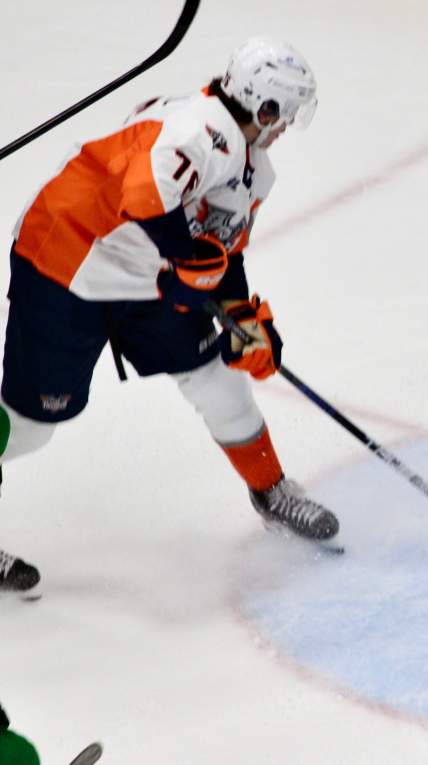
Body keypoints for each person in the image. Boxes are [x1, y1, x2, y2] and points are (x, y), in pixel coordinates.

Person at [0, 37, 339, 595]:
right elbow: (144, 195)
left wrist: (242, 319)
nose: (287, 127)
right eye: (287, 113)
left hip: (142, 277)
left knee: (216, 377)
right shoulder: (195, 131)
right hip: (65, 262)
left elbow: (222, 251)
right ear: (265, 106)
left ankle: (273, 493)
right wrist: (185, 260)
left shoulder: (254, 170)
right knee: (31, 428)